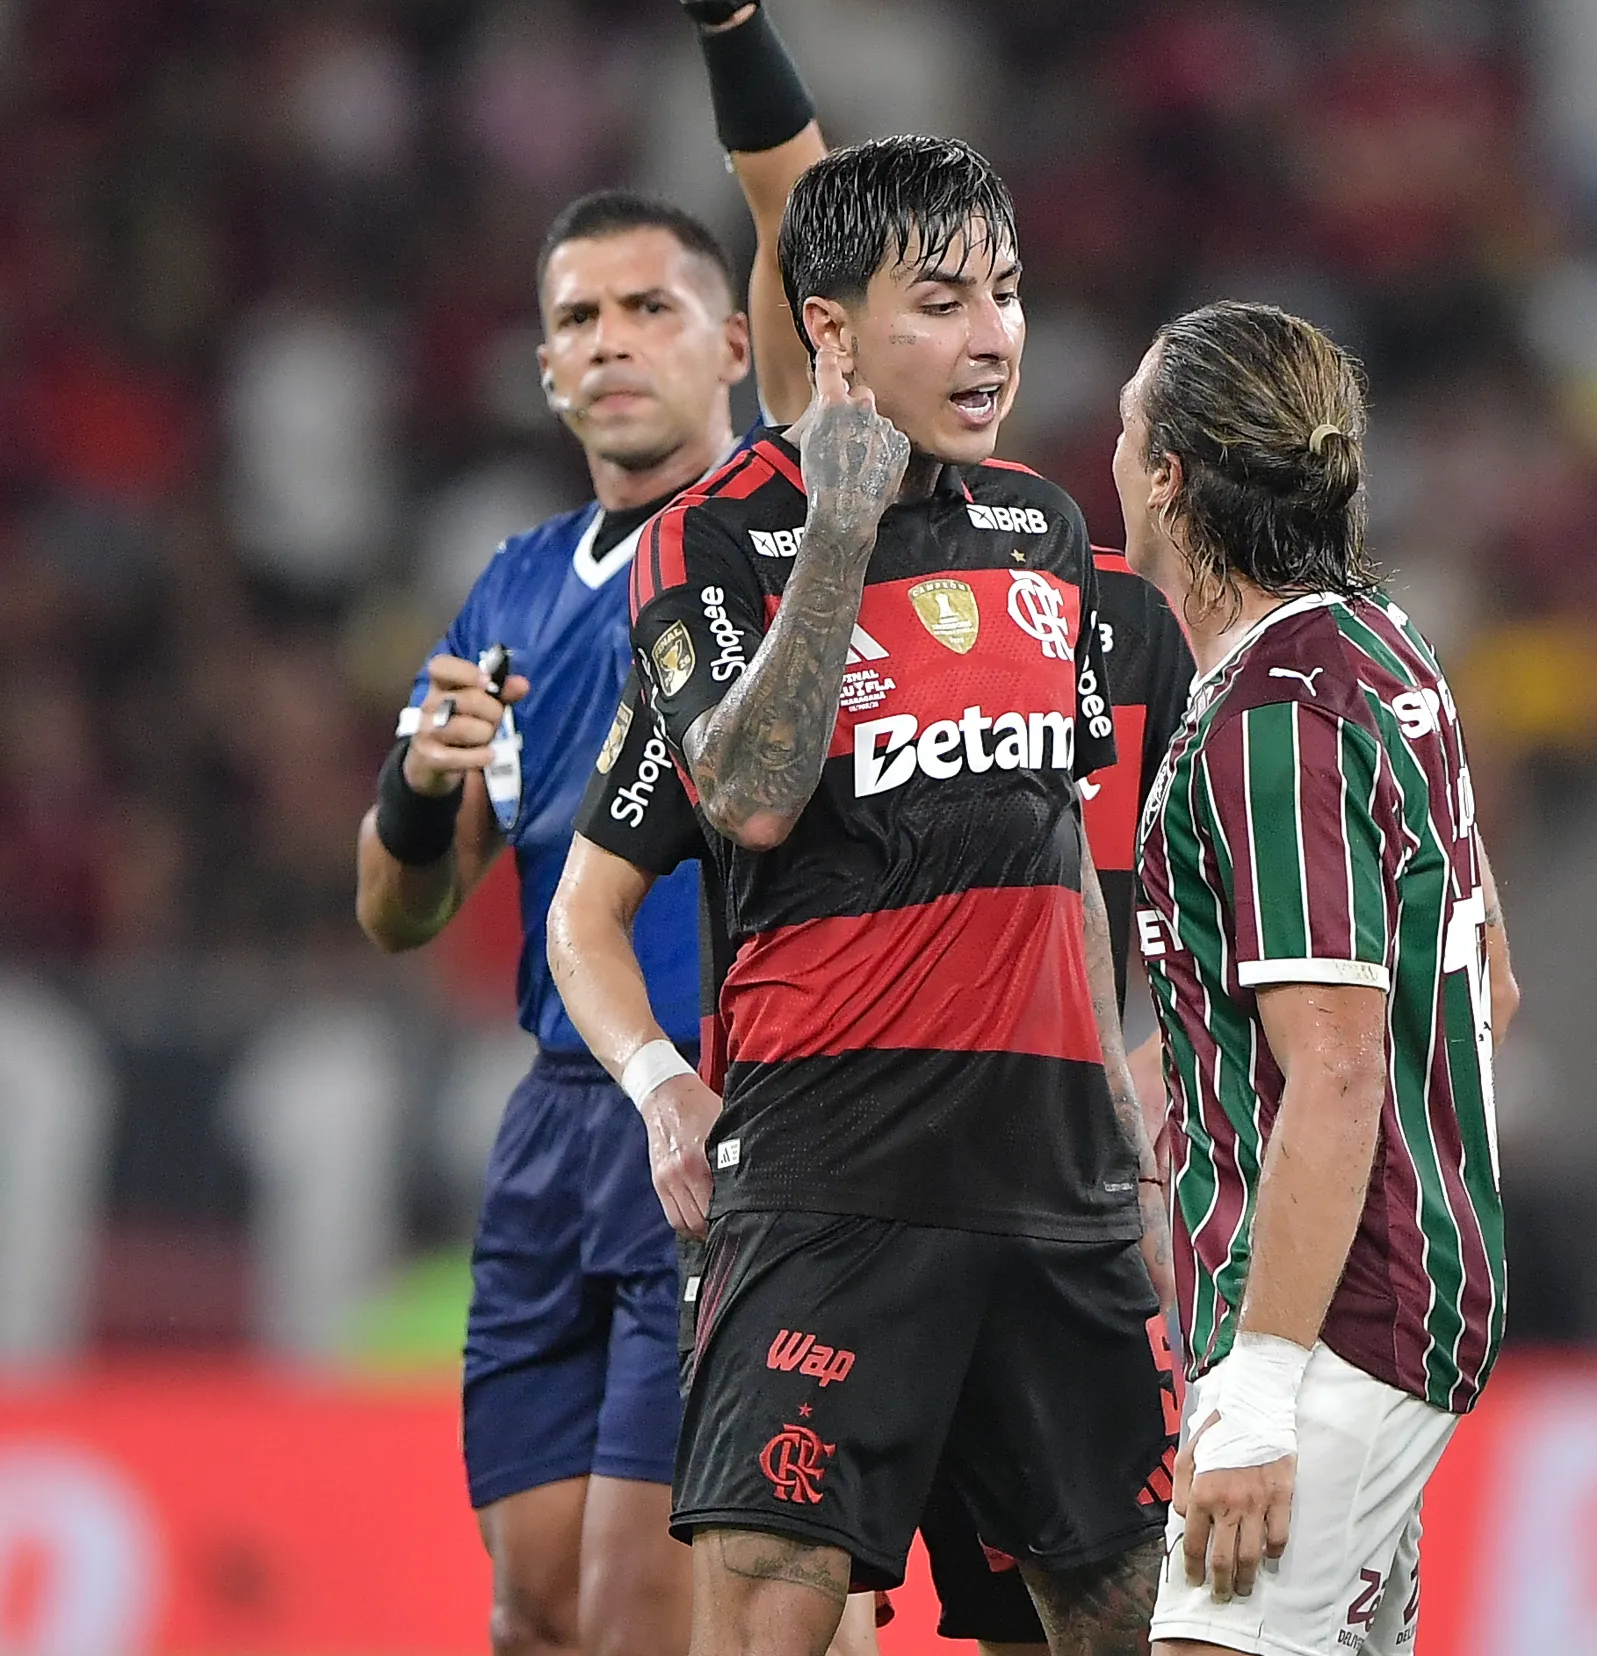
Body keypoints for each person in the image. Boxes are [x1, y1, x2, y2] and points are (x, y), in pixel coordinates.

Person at [629, 133, 1168, 1656]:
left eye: (1004, 293)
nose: (991, 334)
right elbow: (744, 795)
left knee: (1124, 1617)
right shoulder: (713, 533)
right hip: (829, 1180)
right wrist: (843, 531)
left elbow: (1063, 841)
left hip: (1051, 1193)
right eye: (939, 300)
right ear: (830, 330)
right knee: (766, 1627)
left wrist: (1123, 1130)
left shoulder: (1046, 531)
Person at [353, 183, 749, 1656]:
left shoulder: (768, 548)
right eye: (579, 317)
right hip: (553, 1129)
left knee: (662, 1612)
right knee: (536, 1614)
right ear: (543, 365)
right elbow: (399, 909)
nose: (612, 342)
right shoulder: (510, 590)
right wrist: (412, 788)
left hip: (709, 1100)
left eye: (654, 308)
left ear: (734, 348)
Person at [1116, 300, 1515, 1656]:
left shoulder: (1273, 719)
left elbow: (1337, 1069)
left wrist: (1261, 1394)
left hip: (1336, 1315)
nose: (1111, 458)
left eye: (1126, 430)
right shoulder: (1382, 650)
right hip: (1397, 1278)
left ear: (1170, 475)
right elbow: (1485, 983)